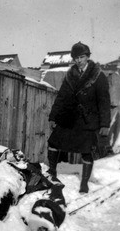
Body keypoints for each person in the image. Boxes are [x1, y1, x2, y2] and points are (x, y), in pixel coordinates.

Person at [47, 41, 111, 193]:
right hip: (69, 117)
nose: (78, 60)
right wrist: (53, 116)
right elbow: (61, 97)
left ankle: (84, 182)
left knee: (86, 150)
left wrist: (105, 124)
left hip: (87, 119)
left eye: (82, 57)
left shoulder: (98, 76)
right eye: (76, 58)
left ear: (87, 57)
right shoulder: (70, 75)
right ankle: (52, 173)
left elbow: (104, 101)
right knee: (53, 142)